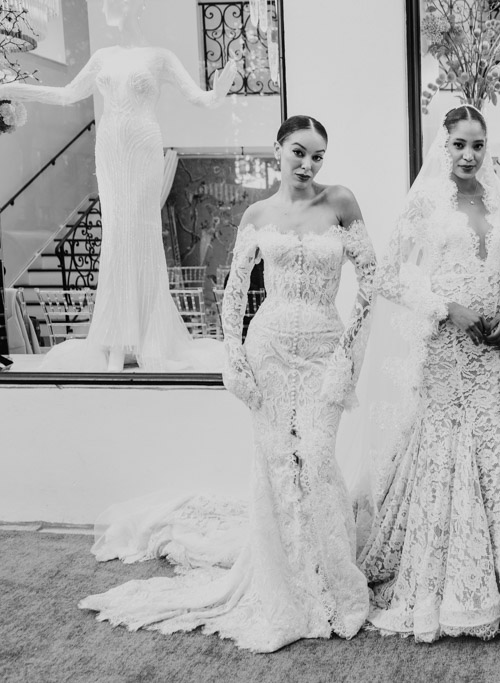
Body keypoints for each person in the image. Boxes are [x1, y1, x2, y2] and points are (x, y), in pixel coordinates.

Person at [79, 115, 377, 652]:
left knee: (316, 459)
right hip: (269, 351)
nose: (307, 165)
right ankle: (284, 586)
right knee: (276, 467)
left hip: (322, 351)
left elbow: (371, 282)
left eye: (317, 156)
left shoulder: (341, 203)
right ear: (278, 151)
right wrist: (235, 358)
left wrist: (347, 356)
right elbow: (234, 293)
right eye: (298, 153)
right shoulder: (257, 214)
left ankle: (331, 581)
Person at [357, 105, 500, 642]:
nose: (469, 155)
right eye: (459, 145)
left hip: (491, 350)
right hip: (446, 347)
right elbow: (387, 277)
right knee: (444, 448)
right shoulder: (424, 202)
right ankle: (440, 586)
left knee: (490, 445)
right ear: (443, 146)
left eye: (477, 145)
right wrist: (448, 307)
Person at [0, 0, 237, 371]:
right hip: (110, 146)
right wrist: (15, 89)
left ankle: (145, 338)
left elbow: (200, 99)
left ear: (134, 5)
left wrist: (220, 90)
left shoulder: (159, 56)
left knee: (139, 234)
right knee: (115, 235)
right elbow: (66, 94)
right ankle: (114, 340)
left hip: (143, 143)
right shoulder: (102, 56)